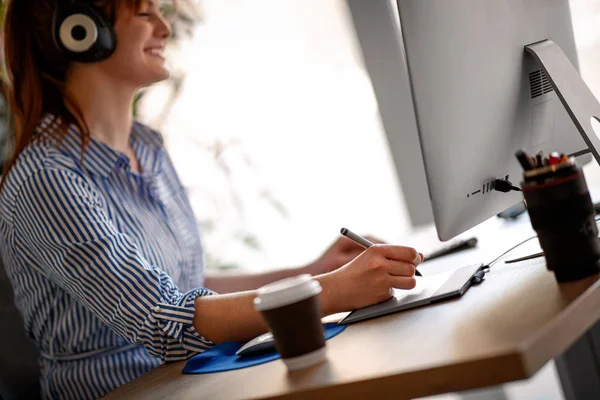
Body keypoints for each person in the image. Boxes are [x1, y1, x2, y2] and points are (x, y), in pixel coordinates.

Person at [0, 0, 423, 398]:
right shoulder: (47, 180)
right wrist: (329, 291)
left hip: (192, 380)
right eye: (145, 13)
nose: (164, 29)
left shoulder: (146, 148)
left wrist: (311, 271)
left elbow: (187, 289)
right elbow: (166, 322)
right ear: (81, 31)